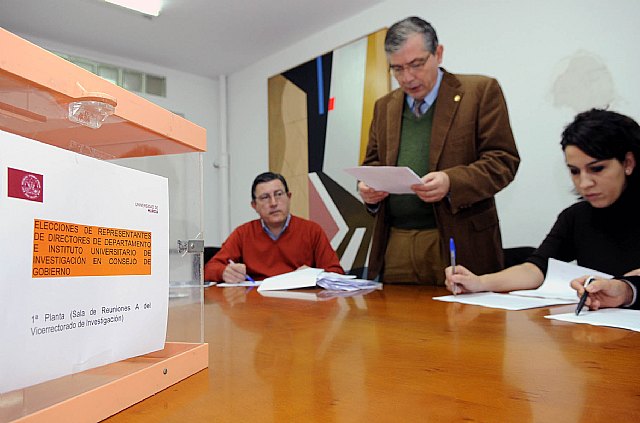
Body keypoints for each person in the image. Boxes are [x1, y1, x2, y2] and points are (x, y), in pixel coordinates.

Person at [358, 16, 520, 284]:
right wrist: (368, 189)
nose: (407, 78)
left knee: (465, 323)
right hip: (395, 241)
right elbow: (373, 163)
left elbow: (503, 161)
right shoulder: (384, 106)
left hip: (459, 239)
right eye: (397, 69)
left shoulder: (479, 91)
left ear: (439, 53)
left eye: (416, 64)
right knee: (395, 321)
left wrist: (451, 181)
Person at [445, 109, 640, 310]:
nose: (585, 182)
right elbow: (536, 269)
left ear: (628, 163)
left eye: (597, 169)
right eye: (574, 171)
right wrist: (479, 283)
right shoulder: (577, 216)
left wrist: (626, 289)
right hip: (600, 331)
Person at [204, 172, 344, 282]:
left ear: (289, 197)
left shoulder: (312, 231)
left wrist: (314, 275)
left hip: (300, 306)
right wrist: (224, 272)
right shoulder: (243, 233)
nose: (273, 203)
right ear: (254, 206)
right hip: (257, 306)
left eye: (278, 194)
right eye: (265, 197)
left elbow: (337, 273)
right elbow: (209, 268)